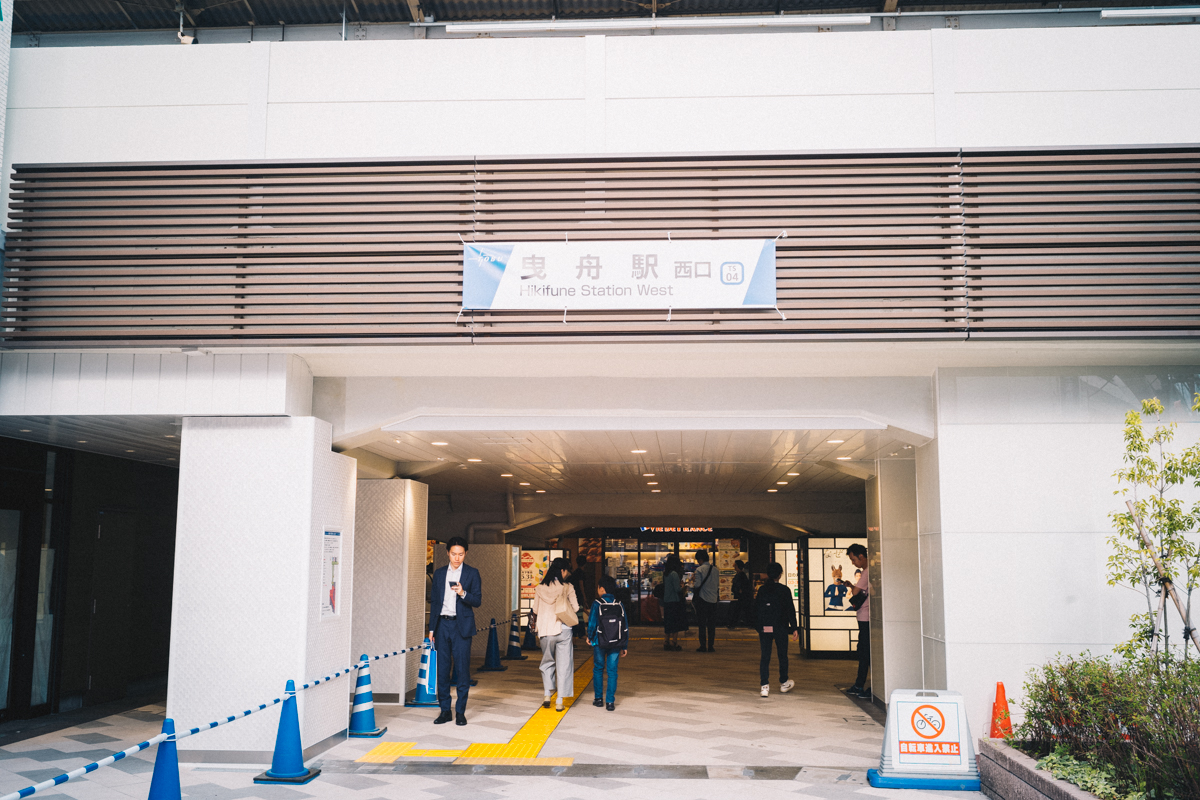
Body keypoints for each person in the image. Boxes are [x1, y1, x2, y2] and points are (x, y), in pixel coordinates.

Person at [427, 536, 481, 726]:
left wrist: (463, 593)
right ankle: (444, 711)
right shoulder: (440, 574)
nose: (457, 558)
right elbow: (435, 602)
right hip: (442, 625)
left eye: (460, 554)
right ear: (448, 553)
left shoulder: (472, 573)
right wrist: (431, 628)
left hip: (462, 626)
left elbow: (477, 600)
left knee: (462, 670)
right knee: (442, 670)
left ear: (465, 554)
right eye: (453, 554)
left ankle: (460, 712)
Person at [532, 557, 580, 711]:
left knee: (547, 662)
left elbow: (536, 610)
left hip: (546, 631)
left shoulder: (540, 588)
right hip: (564, 629)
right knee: (564, 665)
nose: (568, 574)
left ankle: (547, 694)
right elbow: (576, 608)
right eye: (567, 571)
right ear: (562, 570)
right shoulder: (567, 587)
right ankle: (559, 700)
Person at [586, 575, 629, 711]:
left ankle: (598, 699)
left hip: (599, 641)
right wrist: (625, 645)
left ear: (602, 589)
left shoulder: (597, 603)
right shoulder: (619, 604)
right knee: (612, 671)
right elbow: (625, 626)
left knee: (598, 668)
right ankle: (610, 702)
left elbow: (592, 622)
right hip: (616, 642)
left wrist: (590, 636)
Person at [755, 561, 798, 697]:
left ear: (768, 574)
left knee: (765, 656)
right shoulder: (784, 590)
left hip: (765, 627)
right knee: (782, 655)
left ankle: (764, 686)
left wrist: (759, 627)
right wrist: (795, 628)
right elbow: (790, 610)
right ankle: (784, 682)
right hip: (780, 627)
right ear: (780, 575)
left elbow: (755, 610)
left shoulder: (762, 590)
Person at [846, 543, 871, 699]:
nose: (853, 563)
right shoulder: (868, 572)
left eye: (853, 559)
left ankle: (859, 685)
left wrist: (853, 587)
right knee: (864, 651)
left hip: (865, 618)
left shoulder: (867, 573)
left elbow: (856, 592)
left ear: (861, 556)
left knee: (864, 652)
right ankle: (859, 684)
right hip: (866, 617)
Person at [691, 550, 719, 652]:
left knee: (702, 624)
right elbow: (717, 585)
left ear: (701, 559)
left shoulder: (699, 570)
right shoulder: (715, 570)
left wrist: (694, 580)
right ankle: (711, 646)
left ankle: (703, 646)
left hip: (702, 600)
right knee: (711, 625)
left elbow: (697, 585)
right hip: (713, 600)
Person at [661, 554, 686, 651]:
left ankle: (666, 641)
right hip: (674, 601)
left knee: (668, 622)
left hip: (667, 600)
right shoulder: (674, 574)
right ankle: (674, 642)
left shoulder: (666, 573)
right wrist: (683, 586)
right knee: (675, 622)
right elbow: (677, 589)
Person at [730, 560, 752, 630]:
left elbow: (741, 585)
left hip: (740, 596)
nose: (734, 566)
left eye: (735, 565)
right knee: (742, 610)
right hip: (741, 596)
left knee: (737, 610)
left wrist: (739, 590)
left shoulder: (741, 575)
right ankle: (749, 623)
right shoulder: (740, 574)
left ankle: (732, 624)